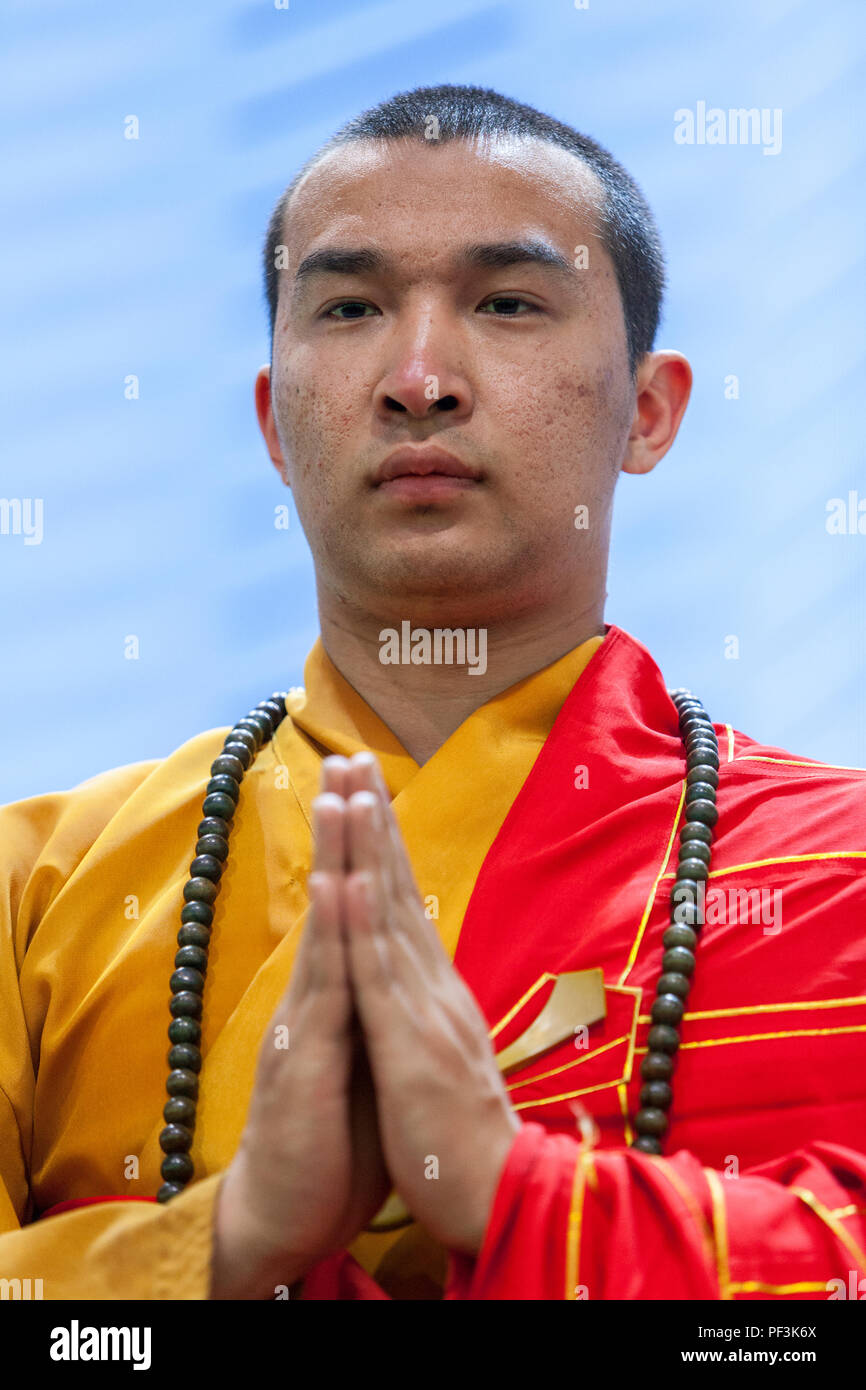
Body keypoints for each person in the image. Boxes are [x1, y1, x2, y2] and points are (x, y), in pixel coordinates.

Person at [1, 83, 864, 1302]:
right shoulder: (35, 891)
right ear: (271, 425)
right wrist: (227, 1242)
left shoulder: (839, 871)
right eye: (349, 307)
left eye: (505, 302)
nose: (417, 378)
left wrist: (512, 1196)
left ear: (650, 409)